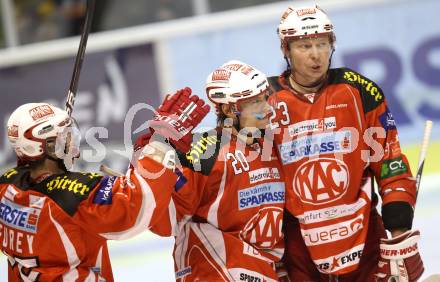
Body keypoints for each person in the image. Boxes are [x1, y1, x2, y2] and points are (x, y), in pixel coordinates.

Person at [268, 4, 424, 281]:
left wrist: (400, 232)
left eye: (322, 44)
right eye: (304, 46)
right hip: (297, 247)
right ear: (285, 50)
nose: (316, 55)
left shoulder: (360, 90)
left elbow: (389, 160)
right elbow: (252, 178)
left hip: (364, 238)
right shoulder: (264, 101)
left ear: (332, 45)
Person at [0, 94, 209, 281]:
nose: (73, 142)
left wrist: (145, 150)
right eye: (66, 136)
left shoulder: (6, 187)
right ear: (50, 148)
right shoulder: (71, 197)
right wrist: (162, 142)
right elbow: (136, 205)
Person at [137, 60, 286, 281]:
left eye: (265, 98)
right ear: (229, 108)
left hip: (264, 269)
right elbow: (162, 220)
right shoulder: (205, 151)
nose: (267, 108)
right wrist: (151, 149)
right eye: (255, 102)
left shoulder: (273, 144)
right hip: (214, 270)